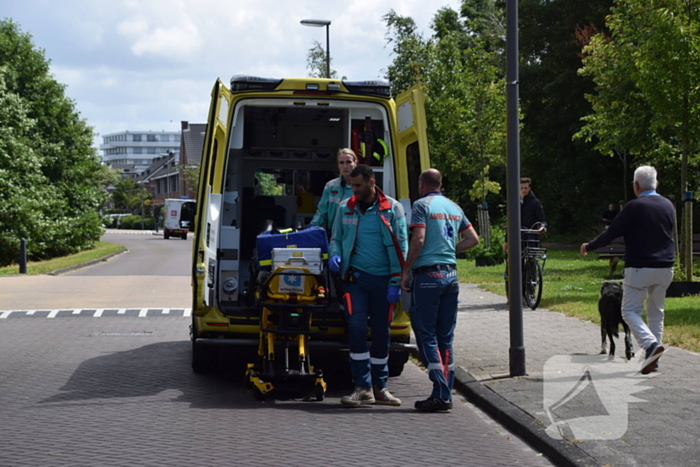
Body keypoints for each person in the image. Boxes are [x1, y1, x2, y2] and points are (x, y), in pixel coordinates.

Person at [580, 166, 674, 375]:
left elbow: (612, 232)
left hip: (640, 267)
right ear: (656, 183)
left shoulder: (634, 207)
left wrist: (589, 246)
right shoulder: (668, 205)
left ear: (636, 185)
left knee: (629, 311)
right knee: (656, 312)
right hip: (666, 266)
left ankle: (650, 345)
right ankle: (654, 358)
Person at [399, 169, 479, 411]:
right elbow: (473, 239)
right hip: (451, 276)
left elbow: (419, 238)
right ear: (440, 184)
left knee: (425, 334)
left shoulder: (422, 206)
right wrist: (448, 251)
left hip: (428, 276)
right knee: (445, 337)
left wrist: (406, 269)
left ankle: (442, 392)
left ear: (422, 184)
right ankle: (444, 392)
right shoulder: (455, 207)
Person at [329, 164, 407, 406]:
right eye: (352, 185)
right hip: (357, 280)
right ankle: (362, 386)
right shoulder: (346, 208)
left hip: (385, 281)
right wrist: (334, 254)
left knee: (382, 332)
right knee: (356, 328)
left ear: (372, 183)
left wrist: (397, 280)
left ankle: (380, 387)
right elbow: (336, 238)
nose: (354, 189)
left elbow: (402, 244)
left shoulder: (392, 208)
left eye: (359, 185)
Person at [310, 148, 358, 232]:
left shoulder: (363, 187)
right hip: (334, 234)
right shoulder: (331, 186)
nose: (345, 166)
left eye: (349, 162)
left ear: (355, 163)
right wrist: (312, 226)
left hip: (357, 235)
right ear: (338, 165)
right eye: (341, 163)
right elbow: (321, 212)